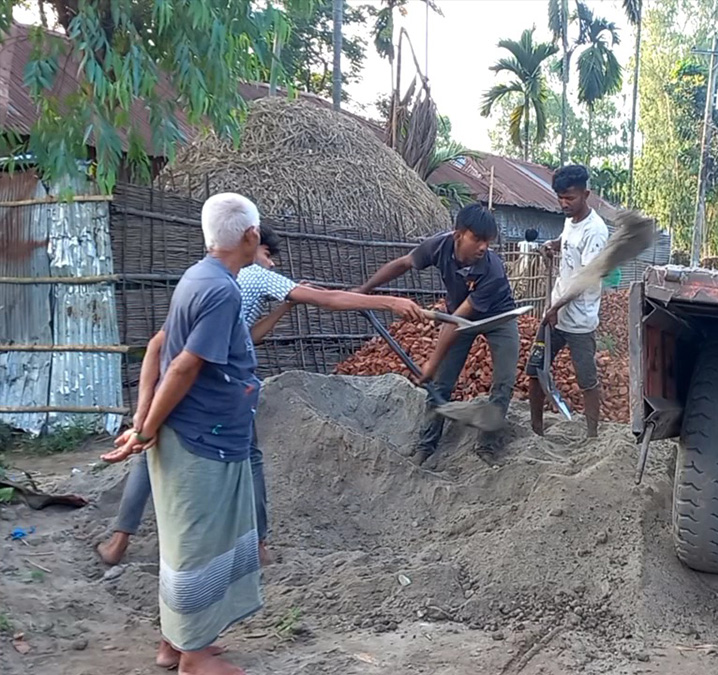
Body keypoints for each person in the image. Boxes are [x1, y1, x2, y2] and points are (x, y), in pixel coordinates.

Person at [96, 224, 423, 569]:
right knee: (248, 459)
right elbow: (330, 299)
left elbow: (234, 340)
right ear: (251, 245)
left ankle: (119, 542)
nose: (272, 264)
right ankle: (258, 546)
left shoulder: (201, 280)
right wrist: (389, 300)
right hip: (219, 389)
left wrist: (144, 417)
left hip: (180, 379)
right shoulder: (257, 275)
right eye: (269, 255)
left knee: (151, 453)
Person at [100, 193, 264, 675]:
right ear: (250, 236)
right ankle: (192, 657)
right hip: (201, 437)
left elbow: (162, 349)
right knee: (197, 542)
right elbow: (185, 365)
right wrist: (145, 428)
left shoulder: (199, 277)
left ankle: (177, 643)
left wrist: (143, 423)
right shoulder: (221, 291)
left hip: (204, 433)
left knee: (195, 538)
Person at [357, 202, 519, 464]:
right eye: (477, 239)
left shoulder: (493, 271)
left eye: (487, 241)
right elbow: (403, 263)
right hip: (458, 315)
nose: (483, 247)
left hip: (499, 318)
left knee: (504, 382)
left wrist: (431, 363)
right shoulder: (438, 246)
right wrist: (364, 291)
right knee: (442, 384)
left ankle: (487, 447)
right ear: (458, 235)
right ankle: (426, 445)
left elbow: (456, 320)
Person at [528, 165, 609, 439]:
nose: (564, 203)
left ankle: (592, 435)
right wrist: (554, 244)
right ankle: (536, 430)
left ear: (586, 194)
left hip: (579, 321)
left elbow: (586, 278)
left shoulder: (596, 231)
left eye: (570, 198)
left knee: (587, 380)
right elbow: (567, 239)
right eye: (560, 198)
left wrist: (556, 307)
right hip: (556, 315)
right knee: (536, 368)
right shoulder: (570, 219)